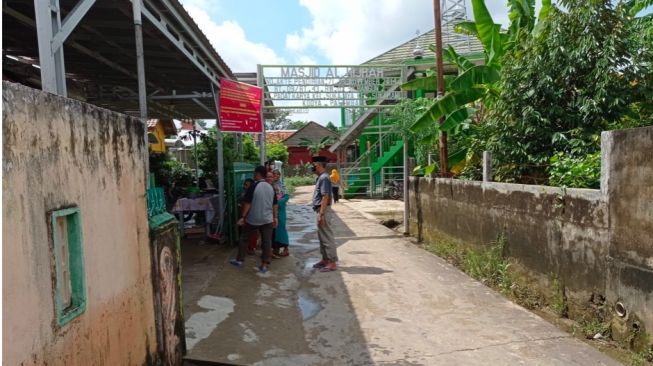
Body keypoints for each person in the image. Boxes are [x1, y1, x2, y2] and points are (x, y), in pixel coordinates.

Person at [230, 166, 278, 273]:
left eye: (254, 173)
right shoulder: (271, 187)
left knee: (244, 238)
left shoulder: (253, 186)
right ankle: (264, 264)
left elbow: (247, 203)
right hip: (268, 219)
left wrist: (243, 217)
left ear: (257, 174)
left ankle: (240, 260)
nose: (253, 175)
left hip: (253, 219)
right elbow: (275, 204)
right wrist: (275, 217)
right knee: (266, 241)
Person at [311, 156, 338, 272]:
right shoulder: (321, 178)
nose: (312, 167)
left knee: (326, 236)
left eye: (313, 165)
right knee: (322, 236)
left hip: (323, 210)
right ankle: (325, 259)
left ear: (319, 165)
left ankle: (332, 262)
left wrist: (321, 214)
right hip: (320, 209)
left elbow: (325, 196)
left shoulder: (324, 178)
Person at [271, 169, 290, 258]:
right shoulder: (270, 185)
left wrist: (278, 204)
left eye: (278, 174)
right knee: (274, 230)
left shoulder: (282, 185)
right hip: (271, 210)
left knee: (281, 227)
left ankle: (286, 248)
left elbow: (286, 196)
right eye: (274, 174)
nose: (276, 176)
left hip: (280, 210)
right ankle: (276, 249)